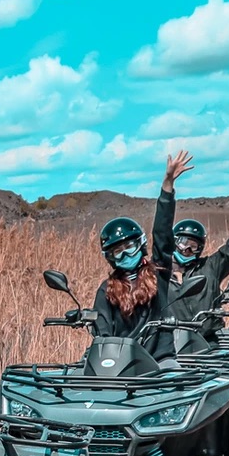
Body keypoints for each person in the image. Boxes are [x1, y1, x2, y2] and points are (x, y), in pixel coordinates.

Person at [92, 151, 195, 364]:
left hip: (160, 362)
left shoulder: (158, 276)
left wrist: (167, 187)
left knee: (176, 383)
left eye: (129, 246)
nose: (125, 254)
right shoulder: (106, 289)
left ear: (140, 244)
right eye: (117, 251)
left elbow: (163, 234)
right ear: (109, 257)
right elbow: (101, 332)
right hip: (121, 365)